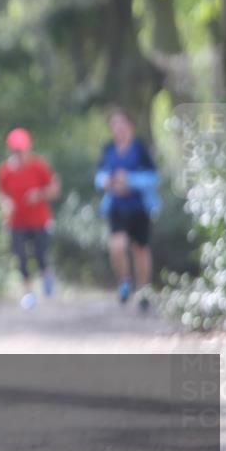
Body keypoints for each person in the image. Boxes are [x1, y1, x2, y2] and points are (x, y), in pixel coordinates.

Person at [95, 108, 160, 310]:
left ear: (130, 126)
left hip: (139, 207)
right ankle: (124, 282)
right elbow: (99, 176)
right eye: (115, 125)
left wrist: (129, 180)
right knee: (117, 245)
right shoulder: (108, 150)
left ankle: (143, 290)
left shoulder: (140, 149)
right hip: (116, 206)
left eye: (122, 124)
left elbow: (153, 178)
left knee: (140, 249)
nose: (119, 129)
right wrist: (108, 182)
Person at [0, 127, 60, 309]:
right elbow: (0, 194)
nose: (19, 153)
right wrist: (6, 203)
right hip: (16, 222)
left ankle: (46, 276)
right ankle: (28, 293)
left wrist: (38, 194)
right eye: (16, 149)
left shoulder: (38, 166)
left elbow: (54, 189)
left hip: (39, 221)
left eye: (21, 149)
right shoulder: (4, 171)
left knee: (40, 255)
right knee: (20, 256)